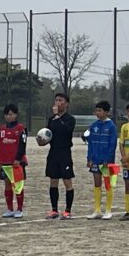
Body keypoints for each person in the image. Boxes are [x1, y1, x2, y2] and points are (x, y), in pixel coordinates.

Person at [45, 92, 77, 220]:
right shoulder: (51, 119)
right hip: (53, 152)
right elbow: (48, 134)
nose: (58, 103)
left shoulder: (70, 119)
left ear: (66, 104)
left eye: (60, 100)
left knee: (67, 181)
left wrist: (58, 117)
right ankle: (54, 210)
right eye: (56, 100)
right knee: (53, 181)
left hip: (65, 153)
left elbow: (66, 131)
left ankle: (68, 210)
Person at [86, 100, 118, 220]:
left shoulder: (111, 126)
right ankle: (97, 210)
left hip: (106, 161)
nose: (97, 113)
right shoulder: (94, 125)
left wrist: (107, 159)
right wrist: (89, 158)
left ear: (106, 112)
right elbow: (90, 143)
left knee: (108, 184)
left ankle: (108, 210)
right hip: (95, 160)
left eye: (100, 110)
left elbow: (112, 144)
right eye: (96, 110)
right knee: (97, 183)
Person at [0, 103, 27, 218]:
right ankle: (9, 209)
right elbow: (0, 145)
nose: (9, 116)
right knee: (7, 184)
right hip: (5, 162)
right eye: (7, 114)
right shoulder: (2, 129)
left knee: (18, 186)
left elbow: (23, 145)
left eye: (11, 114)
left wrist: (18, 159)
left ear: (15, 115)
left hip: (16, 162)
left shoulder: (21, 129)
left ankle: (19, 209)